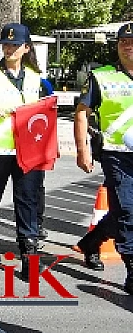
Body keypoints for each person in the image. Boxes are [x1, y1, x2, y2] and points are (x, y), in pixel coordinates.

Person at [0, 24, 52, 277]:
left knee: (27, 200)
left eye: (15, 45)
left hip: (29, 150)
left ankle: (29, 255)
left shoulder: (38, 79)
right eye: (6, 44)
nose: (10, 49)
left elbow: (48, 111)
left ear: (26, 48)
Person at [74, 22, 133, 291]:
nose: (129, 46)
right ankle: (132, 268)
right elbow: (81, 112)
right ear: (118, 45)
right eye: (124, 42)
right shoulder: (102, 77)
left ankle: (91, 241)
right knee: (128, 211)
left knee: (123, 211)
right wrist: (82, 149)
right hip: (116, 154)